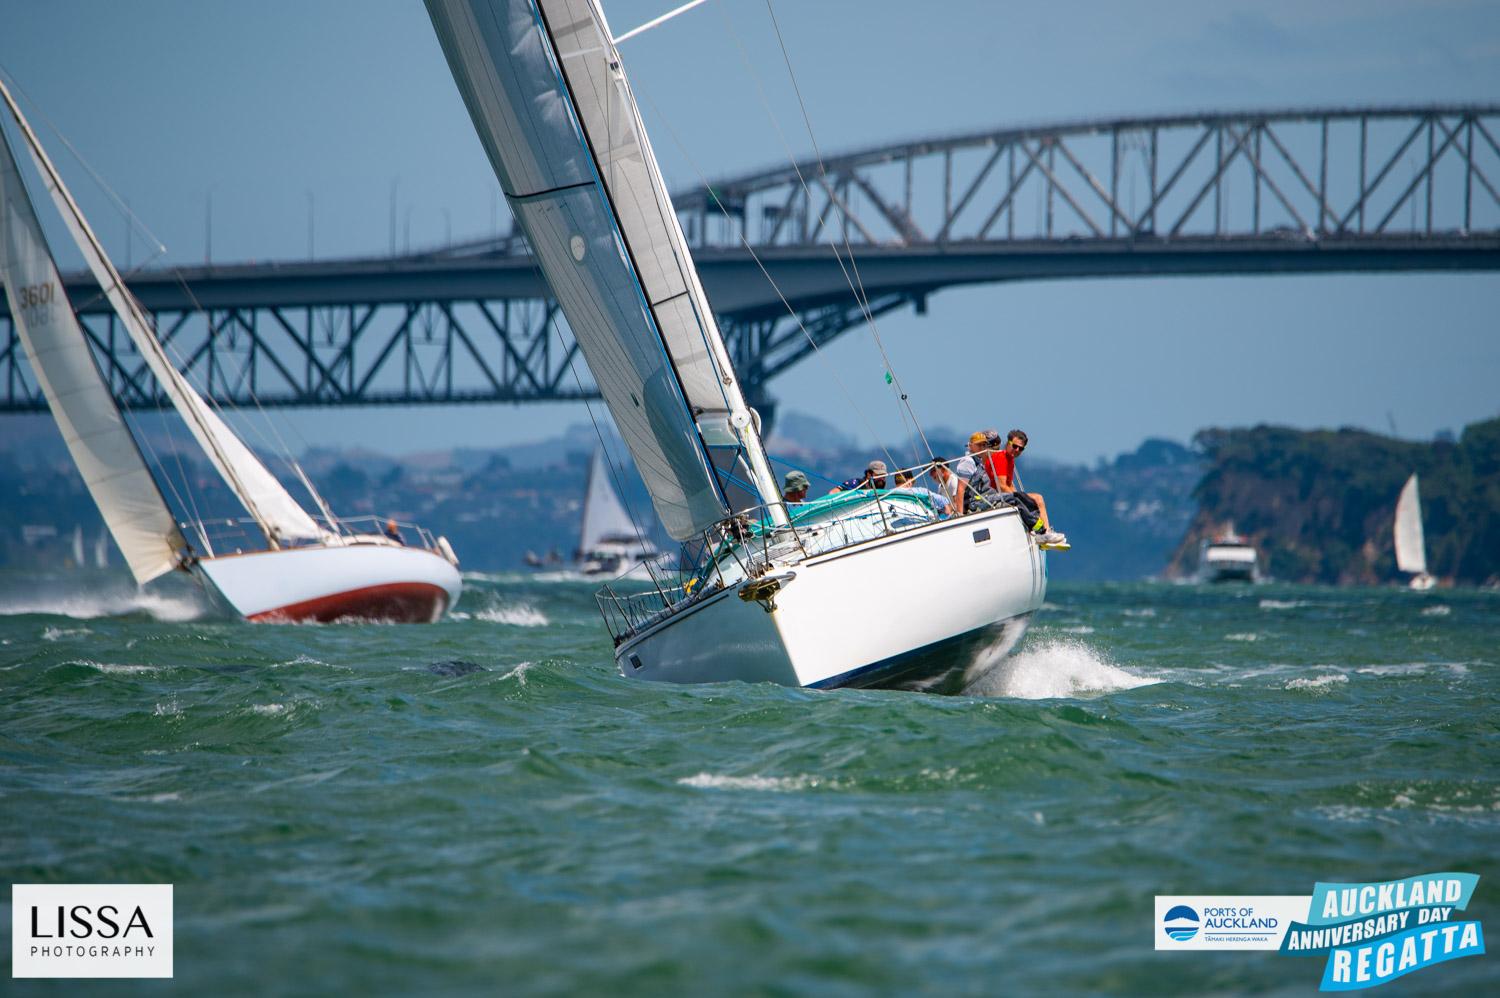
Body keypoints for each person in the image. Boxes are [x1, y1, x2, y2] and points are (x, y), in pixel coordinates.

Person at [987, 430, 1066, 546]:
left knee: (1036, 498)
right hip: (996, 496)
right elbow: (1002, 486)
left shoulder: (1010, 459)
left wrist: (1020, 495)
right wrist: (1021, 497)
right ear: (1008, 443)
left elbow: (1009, 484)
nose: (1017, 450)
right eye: (1015, 446)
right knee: (1037, 499)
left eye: (1021, 448)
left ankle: (1045, 532)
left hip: (1005, 494)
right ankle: (1044, 533)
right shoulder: (1001, 457)